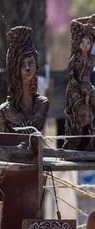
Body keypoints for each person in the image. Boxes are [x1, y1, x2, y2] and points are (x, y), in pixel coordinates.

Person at [0, 26, 48, 133]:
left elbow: (36, 128)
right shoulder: (6, 110)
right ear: (15, 69)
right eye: (22, 65)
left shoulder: (42, 103)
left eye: (31, 63)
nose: (27, 68)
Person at [63, 15, 95, 150]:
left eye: (89, 42)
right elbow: (71, 77)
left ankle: (91, 138)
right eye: (83, 42)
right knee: (79, 113)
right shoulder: (74, 59)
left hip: (88, 85)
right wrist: (82, 90)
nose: (86, 45)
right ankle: (76, 141)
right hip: (75, 88)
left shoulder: (92, 58)